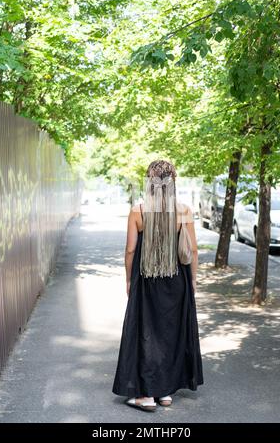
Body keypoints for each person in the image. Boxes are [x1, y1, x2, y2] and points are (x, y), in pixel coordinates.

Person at [112, 160, 203, 411]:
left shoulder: (138, 211)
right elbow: (193, 250)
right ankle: (164, 392)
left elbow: (131, 250)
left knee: (146, 334)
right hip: (177, 280)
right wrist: (193, 280)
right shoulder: (184, 210)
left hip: (147, 280)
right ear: (173, 182)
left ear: (148, 182)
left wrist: (128, 279)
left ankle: (146, 395)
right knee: (169, 334)